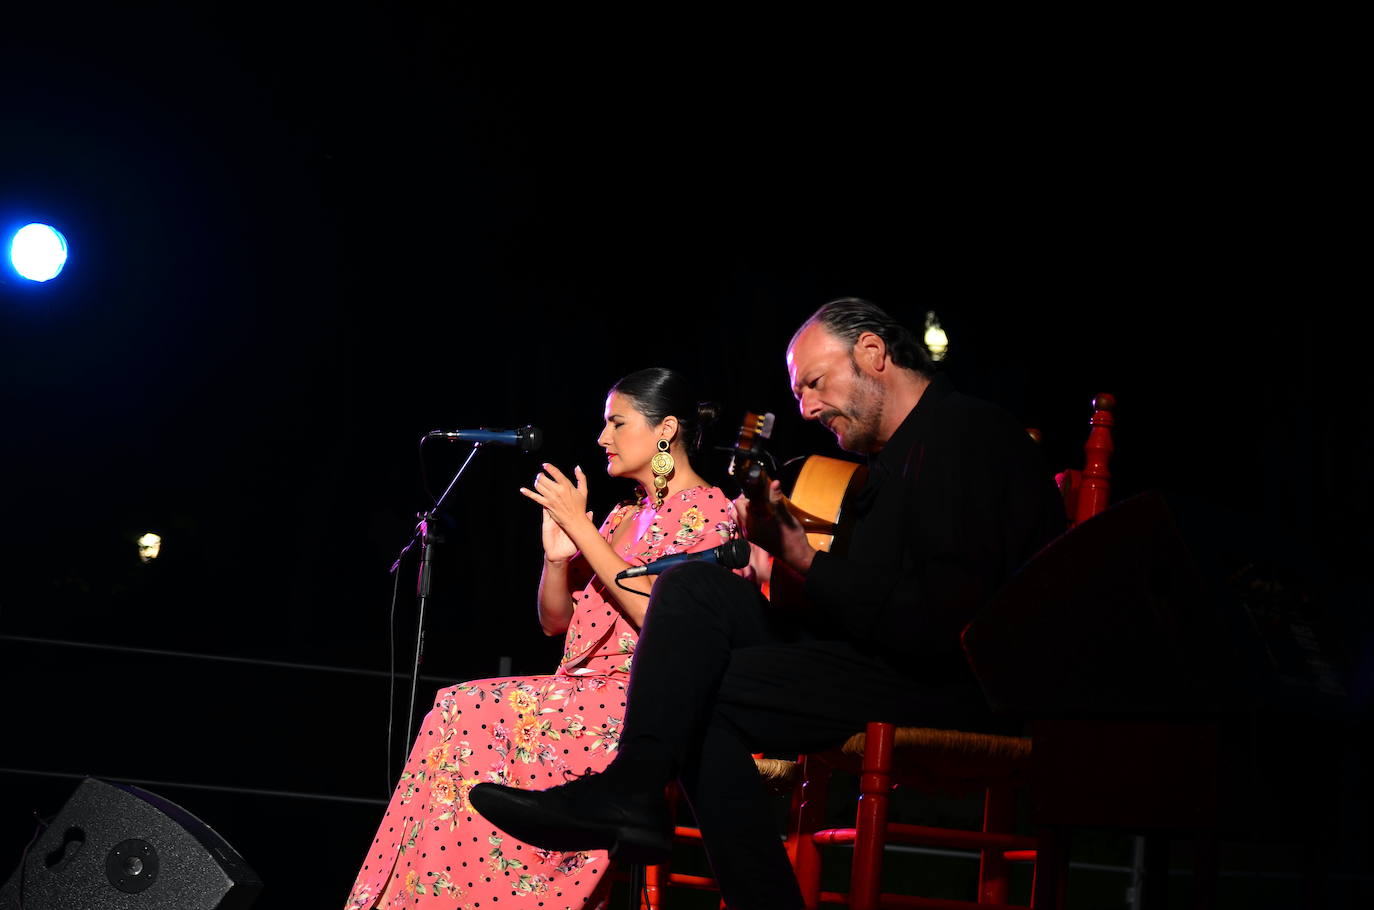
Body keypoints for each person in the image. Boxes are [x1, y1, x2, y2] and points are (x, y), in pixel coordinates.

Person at [470, 298, 1068, 909]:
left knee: (697, 690)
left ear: (872, 353)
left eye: (815, 382)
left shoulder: (967, 434)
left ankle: (634, 795)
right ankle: (632, 792)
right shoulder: (879, 468)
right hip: (880, 650)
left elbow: (935, 620)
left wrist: (801, 556)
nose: (806, 407)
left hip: (955, 676)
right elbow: (859, 605)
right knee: (692, 588)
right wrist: (774, 563)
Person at [342, 367, 738, 909]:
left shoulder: (709, 510)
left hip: (643, 703)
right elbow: (556, 623)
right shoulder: (625, 514)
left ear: (665, 429)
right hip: (575, 691)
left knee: (465, 709)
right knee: (453, 713)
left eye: (617, 423)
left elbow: (662, 618)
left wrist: (582, 530)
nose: (602, 437)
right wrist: (556, 559)